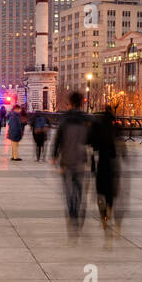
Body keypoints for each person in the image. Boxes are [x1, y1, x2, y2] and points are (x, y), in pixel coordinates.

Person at [52, 92, 91, 232]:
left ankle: (72, 212)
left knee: (68, 188)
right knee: (79, 187)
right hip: (81, 159)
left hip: (66, 159)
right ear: (81, 103)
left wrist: (54, 155)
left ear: (70, 102)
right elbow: (91, 139)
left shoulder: (65, 118)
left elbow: (58, 138)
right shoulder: (86, 119)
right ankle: (77, 207)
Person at [90, 105, 124, 230]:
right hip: (112, 164)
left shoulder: (97, 125)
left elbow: (92, 144)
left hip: (101, 163)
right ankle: (109, 208)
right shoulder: (115, 126)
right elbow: (118, 146)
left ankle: (103, 214)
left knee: (100, 191)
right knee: (110, 190)